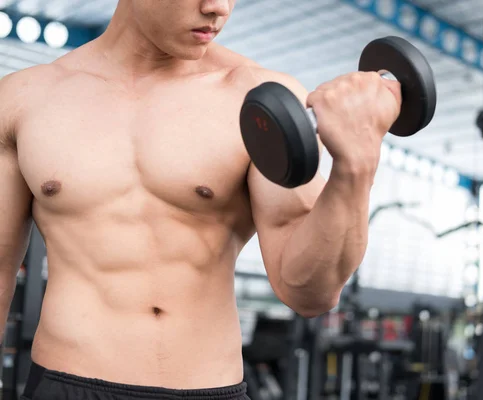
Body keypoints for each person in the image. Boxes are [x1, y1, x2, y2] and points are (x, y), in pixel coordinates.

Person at [0, 1, 401, 399]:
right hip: (62, 385)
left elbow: (309, 293)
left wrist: (356, 166)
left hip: (206, 388)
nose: (218, 8)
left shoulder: (259, 101)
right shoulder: (26, 98)